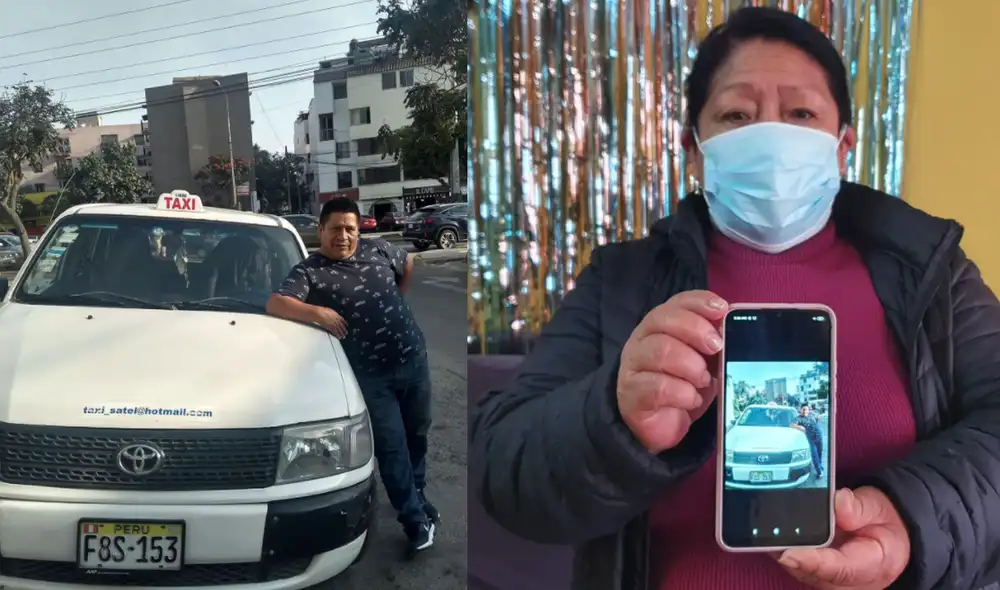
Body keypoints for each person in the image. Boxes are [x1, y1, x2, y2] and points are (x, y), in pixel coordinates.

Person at [471, 7, 1000, 590]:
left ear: (842, 145)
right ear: (693, 149)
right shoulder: (620, 281)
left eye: (801, 113)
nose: (770, 136)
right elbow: (502, 466)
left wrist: (912, 520)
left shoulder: (932, 272)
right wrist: (613, 418)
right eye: (736, 115)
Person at [266, 197, 439, 556]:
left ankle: (417, 495)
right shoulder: (310, 271)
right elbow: (277, 303)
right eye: (335, 229)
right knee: (392, 448)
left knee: (417, 434)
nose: (343, 236)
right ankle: (414, 520)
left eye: (350, 229)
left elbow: (408, 265)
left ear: (358, 230)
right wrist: (318, 313)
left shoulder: (378, 249)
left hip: (413, 361)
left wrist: (396, 303)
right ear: (321, 231)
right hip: (371, 377)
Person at [791, 404, 823, 479]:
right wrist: (799, 427)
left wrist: (817, 419)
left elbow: (818, 418)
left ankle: (820, 466)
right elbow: (791, 425)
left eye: (806, 409)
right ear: (800, 410)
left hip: (818, 435)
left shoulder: (812, 414)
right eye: (803, 409)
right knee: (814, 454)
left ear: (808, 410)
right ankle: (819, 471)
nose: (805, 411)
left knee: (819, 452)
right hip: (810, 438)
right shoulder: (798, 418)